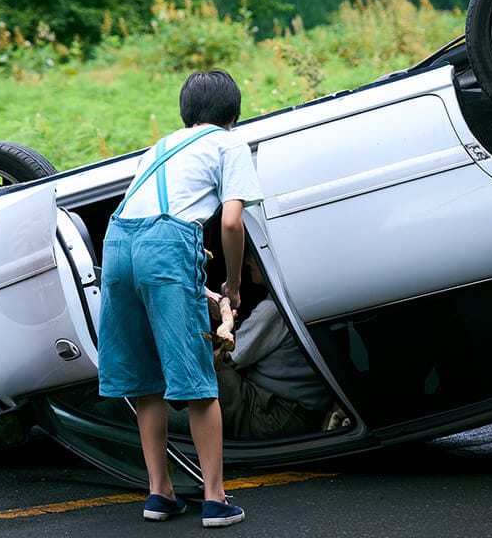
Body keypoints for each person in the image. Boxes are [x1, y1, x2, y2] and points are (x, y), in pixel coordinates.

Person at [97, 69, 264, 528]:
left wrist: (198, 287)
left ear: (185, 112)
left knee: (146, 379)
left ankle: (160, 494)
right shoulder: (230, 144)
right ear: (233, 114)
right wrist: (231, 283)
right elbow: (231, 223)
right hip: (168, 246)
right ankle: (215, 499)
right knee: (196, 378)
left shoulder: (160, 146)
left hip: (116, 245)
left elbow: (145, 228)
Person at [211, 253, 333, 441]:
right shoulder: (299, 299)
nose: (247, 261)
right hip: (305, 412)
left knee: (207, 368)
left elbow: (226, 356)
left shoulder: (273, 311)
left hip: (280, 417)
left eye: (253, 256)